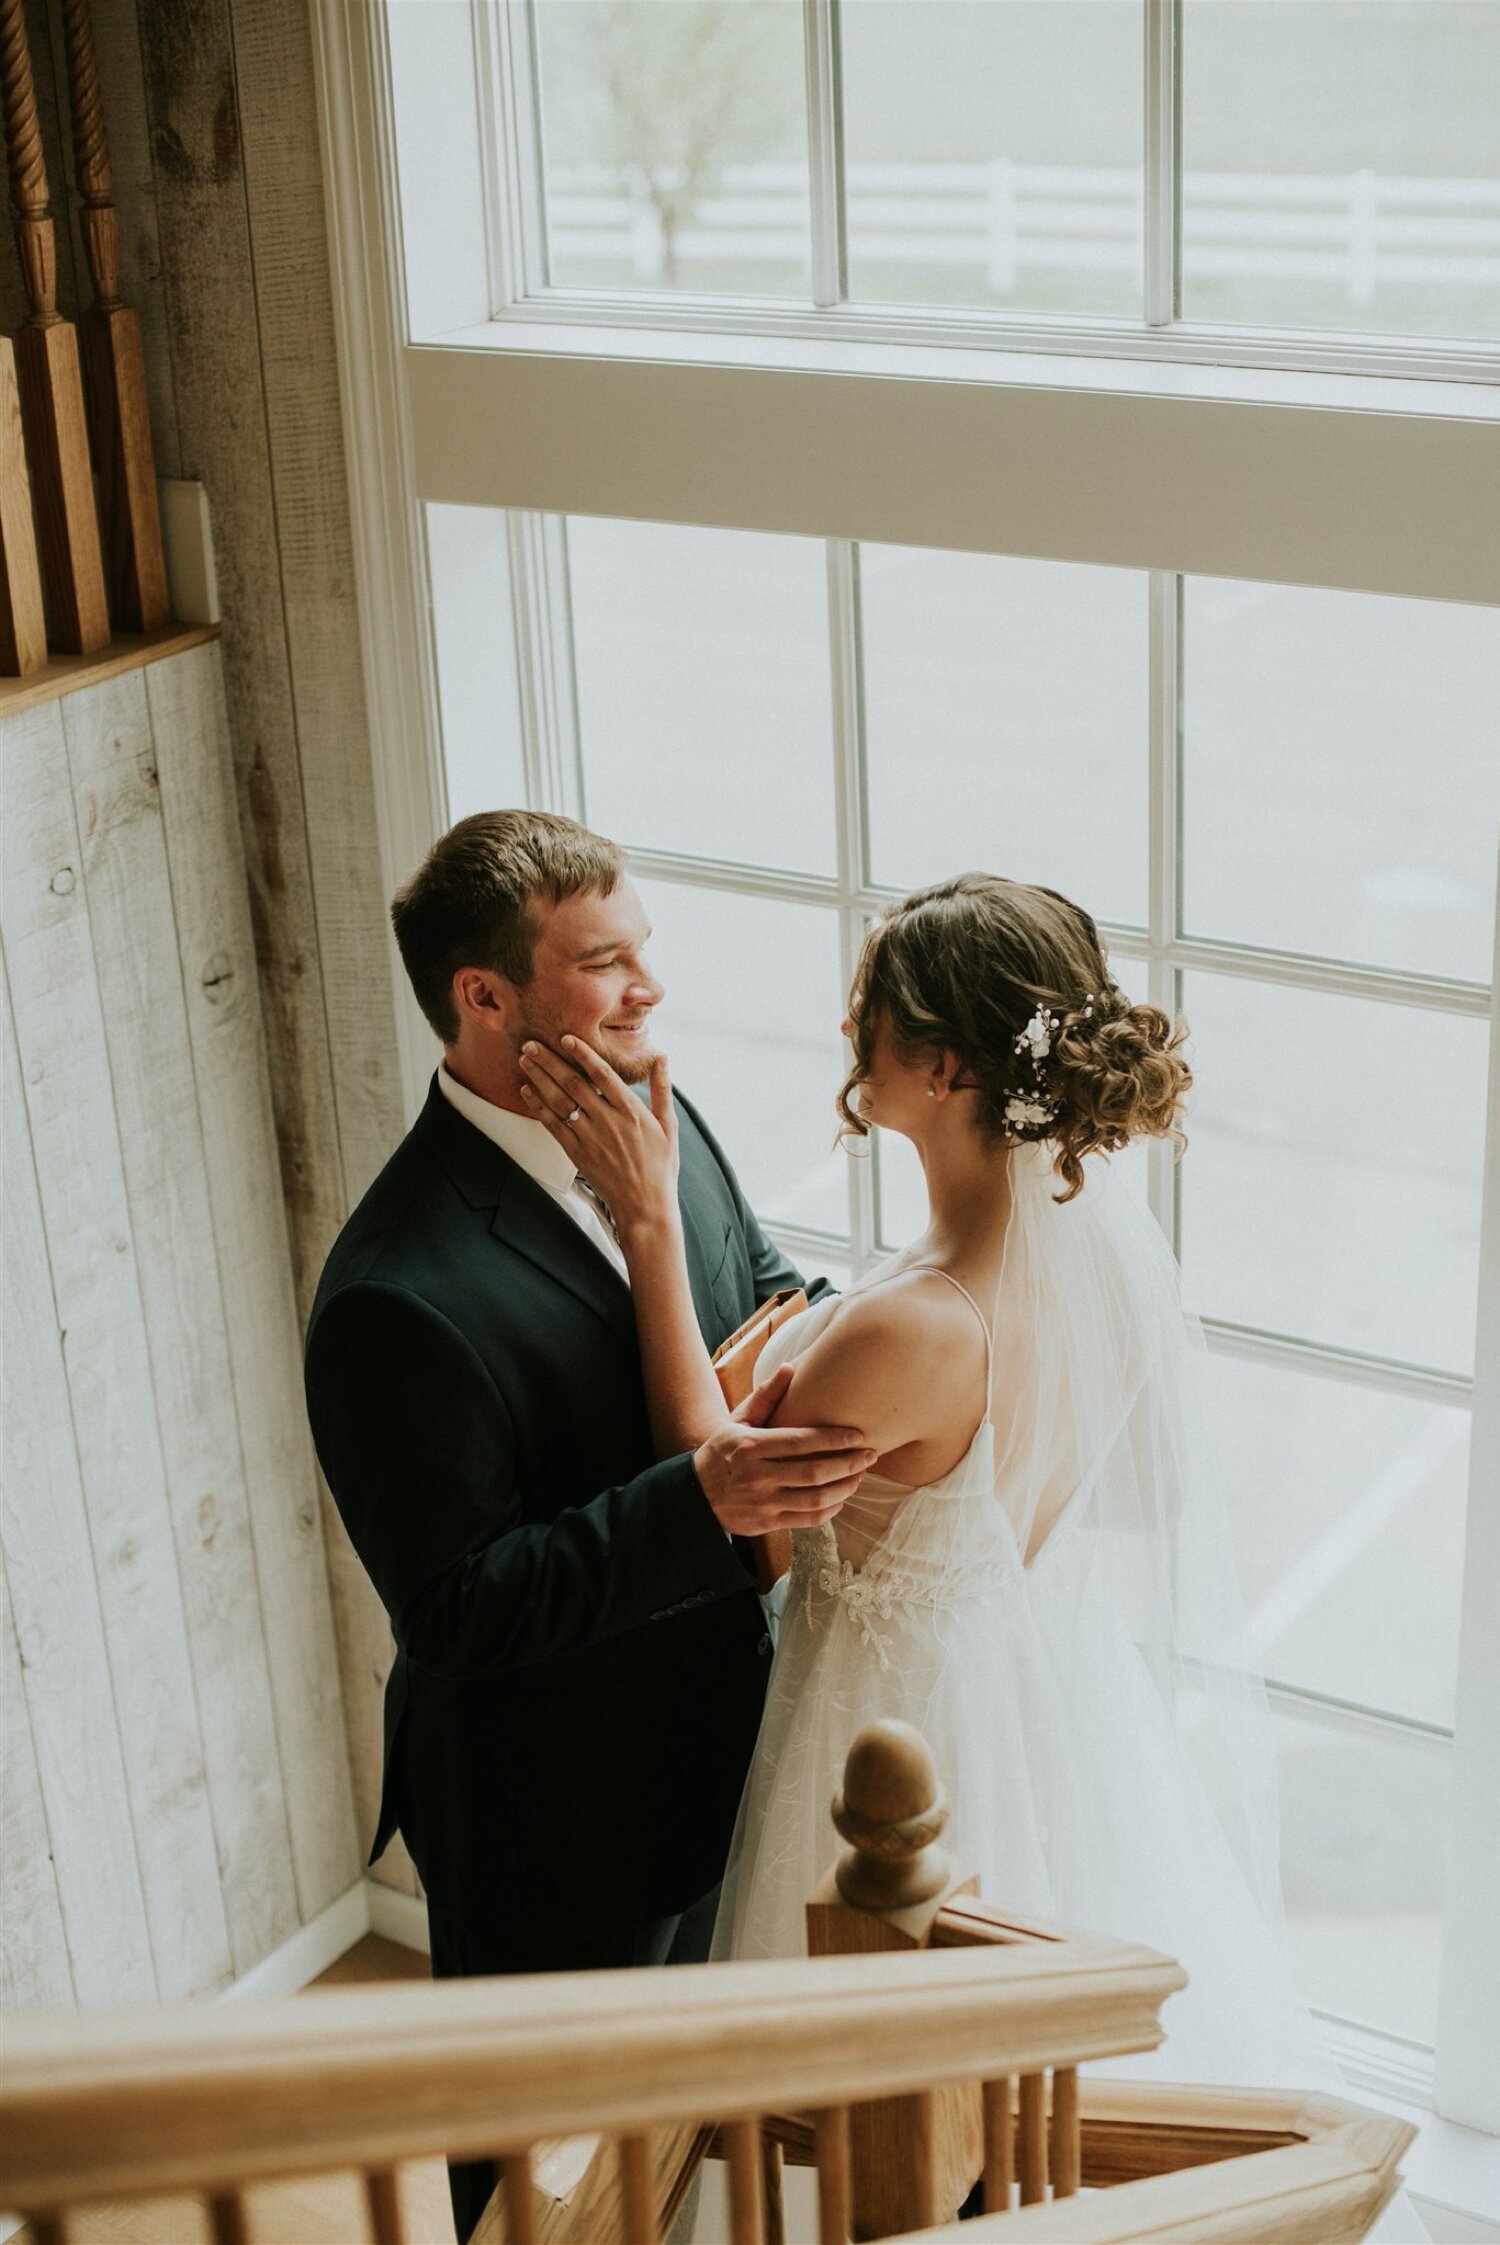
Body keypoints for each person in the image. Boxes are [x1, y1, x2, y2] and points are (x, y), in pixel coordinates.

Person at [516, 870, 1425, 2239]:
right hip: (1027, 1689)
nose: (844, 1025)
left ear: (941, 1063)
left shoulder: (917, 1327)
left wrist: (650, 1228)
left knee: (860, 2106)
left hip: (880, 1739)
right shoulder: (1089, 1261)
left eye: (871, 1011)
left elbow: (725, 1501)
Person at [304, 811, 873, 2243]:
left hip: (725, 1741)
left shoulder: (663, 1121)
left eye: (644, 953)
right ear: (483, 998)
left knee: (686, 2102)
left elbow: (768, 1287)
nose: (650, 993)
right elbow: (459, 1607)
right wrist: (704, 1494)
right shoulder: (394, 1291)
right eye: (606, 964)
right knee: (529, 2151)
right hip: (549, 1808)